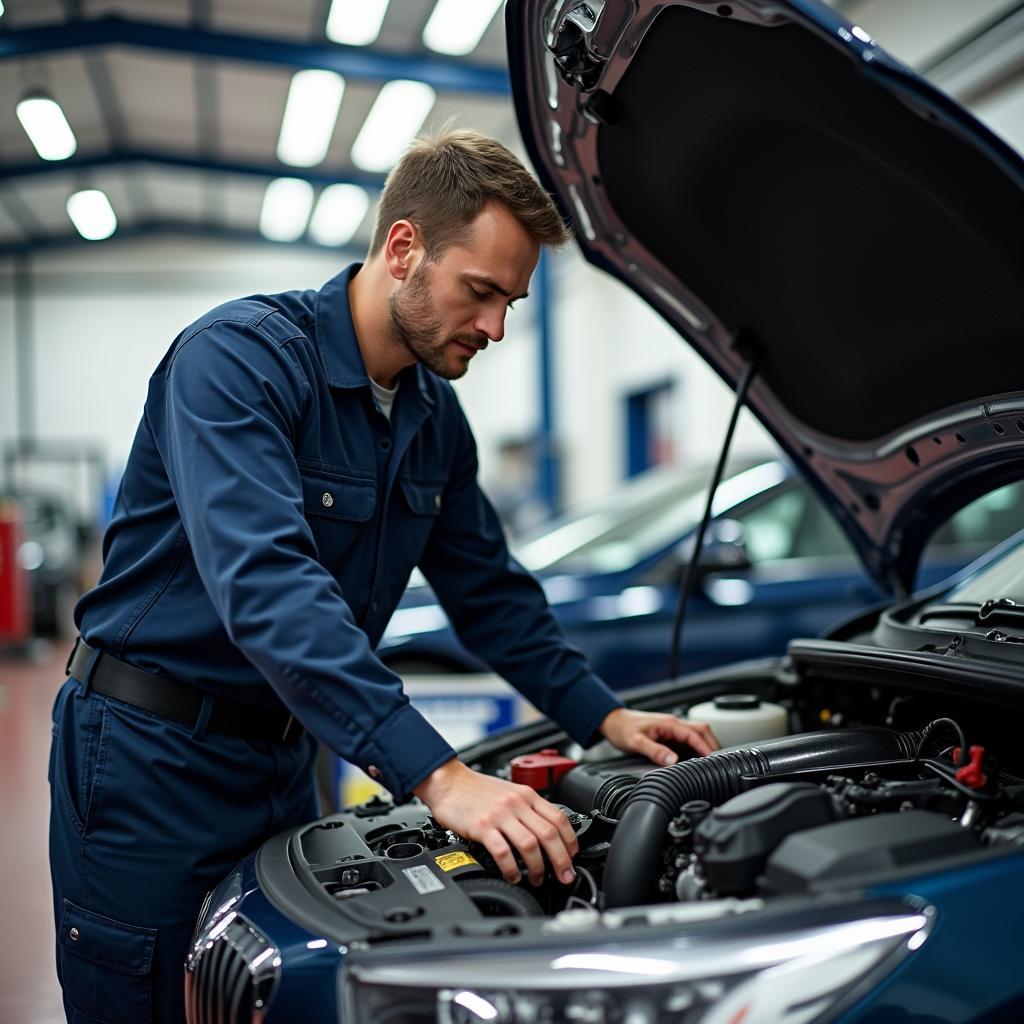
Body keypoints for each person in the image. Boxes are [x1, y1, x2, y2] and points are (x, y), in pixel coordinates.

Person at [48, 129, 718, 1024]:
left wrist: (604, 714)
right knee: (158, 1000)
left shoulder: (434, 420)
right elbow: (268, 588)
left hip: (288, 758)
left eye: (510, 303)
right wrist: (440, 777)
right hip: (151, 761)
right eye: (479, 292)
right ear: (403, 248)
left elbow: (491, 595)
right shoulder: (238, 362)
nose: (494, 327)